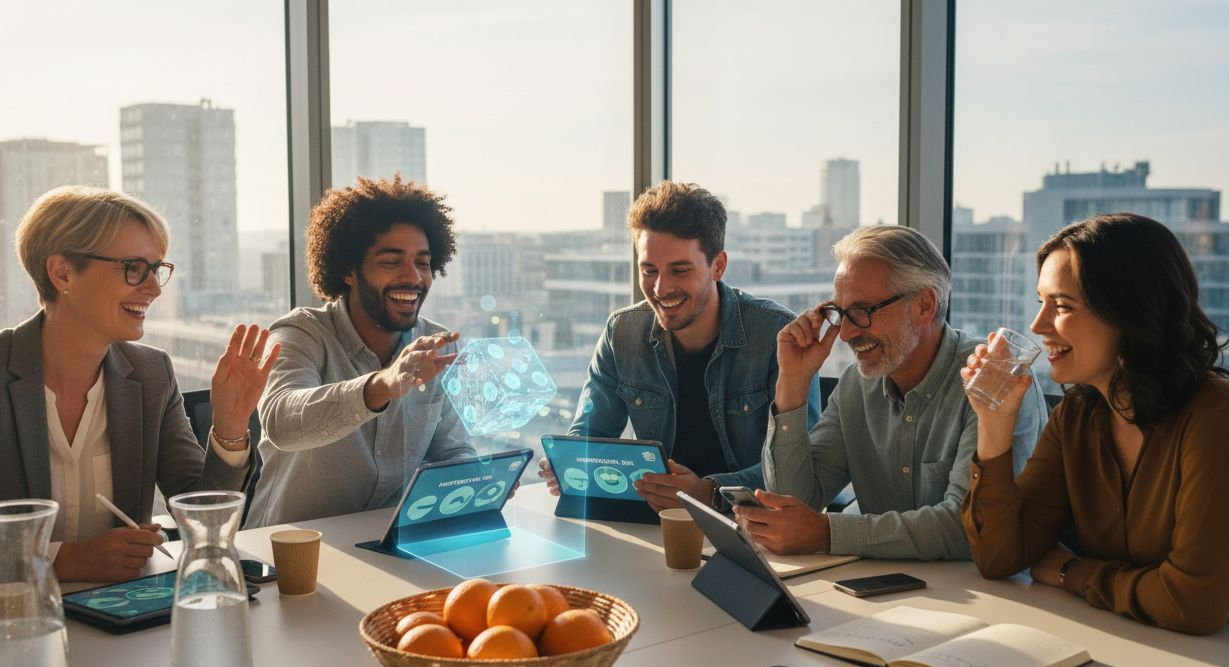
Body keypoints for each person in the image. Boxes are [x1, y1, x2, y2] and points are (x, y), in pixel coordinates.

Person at [0, 186, 274, 591]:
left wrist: (231, 426)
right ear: (62, 273)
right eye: (134, 267)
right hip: (8, 622)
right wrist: (65, 559)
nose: (153, 288)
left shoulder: (152, 373)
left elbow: (204, 521)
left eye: (157, 269)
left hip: (121, 622)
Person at [960, 213, 1229, 634]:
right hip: (1129, 643)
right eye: (1041, 302)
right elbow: (1000, 558)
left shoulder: (1221, 417)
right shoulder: (1078, 416)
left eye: (1061, 306)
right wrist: (994, 423)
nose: (1038, 326)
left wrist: (1070, 571)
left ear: (1129, 311)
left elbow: (1192, 604)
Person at [743, 225, 1047, 559]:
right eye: (841, 314)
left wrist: (827, 533)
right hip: (886, 592)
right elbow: (791, 504)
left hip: (992, 598)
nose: (844, 334)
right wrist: (793, 382)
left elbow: (967, 529)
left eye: (862, 312)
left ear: (924, 305)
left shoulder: (993, 380)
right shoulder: (854, 387)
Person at [541, 181, 820, 512]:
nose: (660, 288)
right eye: (649, 270)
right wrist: (569, 461)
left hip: (750, 524)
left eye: (680, 270)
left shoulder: (776, 335)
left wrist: (709, 491)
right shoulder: (622, 332)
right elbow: (591, 433)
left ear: (718, 265)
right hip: (656, 522)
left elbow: (802, 466)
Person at [247, 176, 473, 527]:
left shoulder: (437, 345)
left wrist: (478, 482)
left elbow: (451, 450)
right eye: (391, 261)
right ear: (349, 270)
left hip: (388, 550)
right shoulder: (300, 334)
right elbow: (281, 423)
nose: (413, 277)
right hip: (286, 558)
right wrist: (382, 385)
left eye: (423, 262)